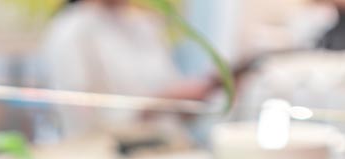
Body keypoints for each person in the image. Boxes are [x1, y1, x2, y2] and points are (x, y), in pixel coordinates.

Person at [38, 0, 217, 140]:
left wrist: (200, 94)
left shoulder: (144, 24)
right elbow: (83, 124)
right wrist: (157, 104)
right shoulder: (71, 31)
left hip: (171, 154)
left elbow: (181, 111)